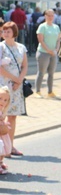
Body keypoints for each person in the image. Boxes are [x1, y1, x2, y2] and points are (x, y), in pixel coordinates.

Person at [0, 21, 28, 157]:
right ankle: (2, 147)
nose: (5, 34)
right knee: (2, 116)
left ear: (14, 33)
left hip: (17, 87)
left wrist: (19, 80)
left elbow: (25, 66)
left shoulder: (21, 47)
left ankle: (10, 145)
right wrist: (14, 79)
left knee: (13, 117)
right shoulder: (1, 47)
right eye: (4, 31)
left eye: (8, 31)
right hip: (4, 86)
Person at [35, 9, 61, 99]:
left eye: (52, 15)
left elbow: (58, 39)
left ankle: (50, 91)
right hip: (43, 53)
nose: (50, 17)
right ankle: (37, 91)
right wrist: (48, 50)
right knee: (41, 72)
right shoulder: (42, 26)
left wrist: (57, 49)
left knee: (51, 73)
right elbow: (40, 40)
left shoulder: (56, 27)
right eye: (48, 15)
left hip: (53, 53)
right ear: (45, 16)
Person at [0, 86, 11, 175]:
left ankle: (0, 163)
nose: (2, 101)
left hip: (2, 134)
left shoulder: (2, 110)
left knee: (3, 149)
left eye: (5, 100)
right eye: (0, 98)